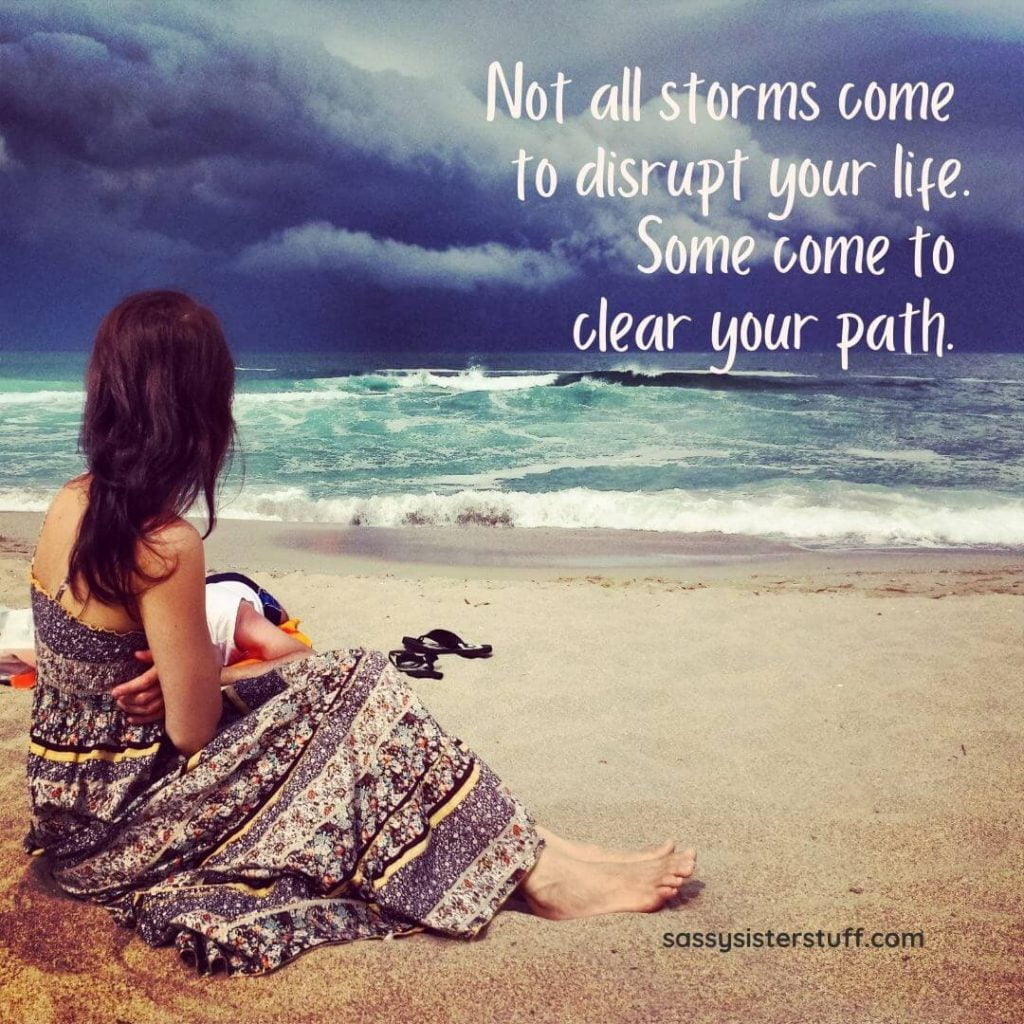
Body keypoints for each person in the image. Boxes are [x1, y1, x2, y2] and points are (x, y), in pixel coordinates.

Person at [25, 290, 696, 976]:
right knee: (359, 684)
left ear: (105, 387)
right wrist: (205, 677)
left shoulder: (68, 502)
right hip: (122, 832)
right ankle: (541, 874)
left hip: (72, 809)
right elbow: (191, 730)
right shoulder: (163, 545)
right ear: (201, 409)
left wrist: (195, 672)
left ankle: (536, 848)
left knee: (342, 682)